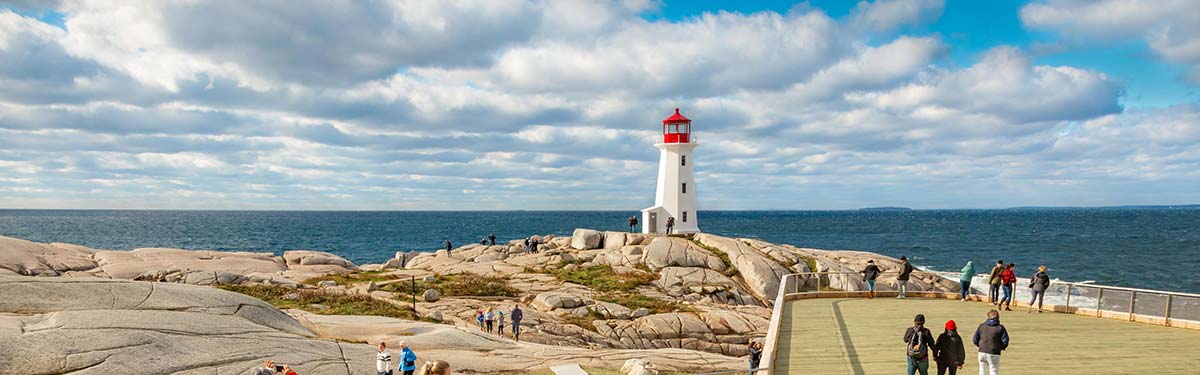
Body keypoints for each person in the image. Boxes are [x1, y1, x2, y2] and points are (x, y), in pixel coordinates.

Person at [972, 310, 1009, 375]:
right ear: (998, 317)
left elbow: (975, 339)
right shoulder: (1000, 328)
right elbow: (1005, 341)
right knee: (993, 371)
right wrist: (1001, 348)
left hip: (982, 352)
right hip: (994, 352)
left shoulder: (981, 326)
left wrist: (980, 346)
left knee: (982, 371)